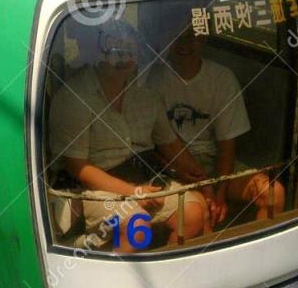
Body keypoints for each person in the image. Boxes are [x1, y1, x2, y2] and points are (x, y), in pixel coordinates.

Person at [48, 20, 208, 253]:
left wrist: (205, 183)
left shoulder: (146, 97)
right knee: (138, 227)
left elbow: (171, 145)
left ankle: (167, 280)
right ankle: (111, 284)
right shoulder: (73, 98)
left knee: (194, 212)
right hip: (93, 190)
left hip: (144, 179)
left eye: (129, 52)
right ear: (98, 55)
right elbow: (77, 167)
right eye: (115, 52)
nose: (123, 60)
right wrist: (132, 193)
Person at [145, 16, 285, 227]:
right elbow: (148, 143)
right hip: (172, 166)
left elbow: (227, 144)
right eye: (178, 37)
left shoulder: (221, 78)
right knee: (202, 214)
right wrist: (176, 170)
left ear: (204, 38)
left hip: (215, 162)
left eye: (192, 35)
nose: (185, 43)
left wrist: (220, 191)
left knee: (273, 195)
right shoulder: (151, 79)